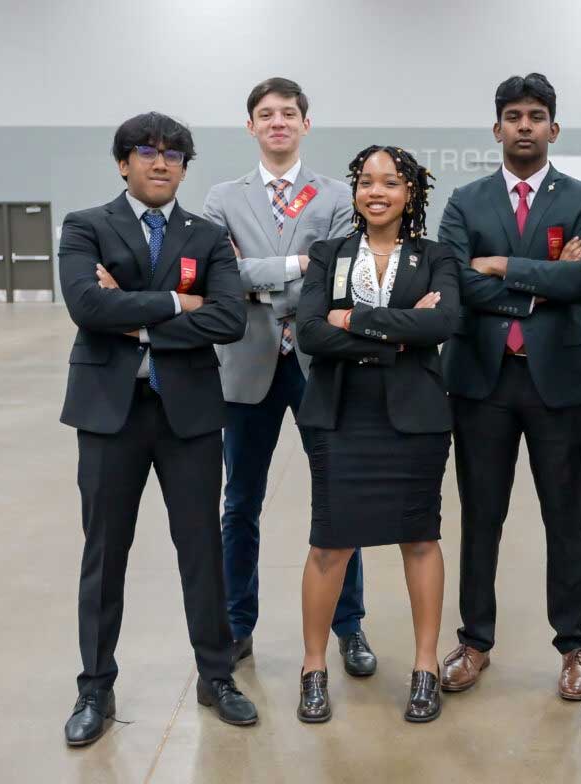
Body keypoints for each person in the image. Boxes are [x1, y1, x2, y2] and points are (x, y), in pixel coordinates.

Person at [57, 112, 256, 746]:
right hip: (110, 414)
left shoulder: (207, 235)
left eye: (174, 155)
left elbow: (228, 319)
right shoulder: (86, 226)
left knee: (202, 551)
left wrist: (133, 315)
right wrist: (176, 302)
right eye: (146, 152)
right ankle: (95, 686)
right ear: (123, 162)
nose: (161, 163)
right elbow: (86, 307)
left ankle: (216, 675)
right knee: (104, 553)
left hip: (189, 416)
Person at [437, 73, 581, 698]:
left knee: (566, 516)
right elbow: (456, 282)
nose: (526, 125)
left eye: (537, 115)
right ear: (498, 128)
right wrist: (542, 286)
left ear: (553, 128)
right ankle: (474, 639)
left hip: (558, 383)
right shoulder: (466, 201)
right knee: (481, 515)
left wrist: (506, 266)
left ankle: (575, 645)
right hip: (481, 381)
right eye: (514, 116)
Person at [202, 78, 376, 675]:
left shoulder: (334, 196)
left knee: (339, 498)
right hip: (246, 365)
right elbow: (220, 273)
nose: (278, 122)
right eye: (266, 114)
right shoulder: (222, 197)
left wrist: (263, 278)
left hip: (316, 362)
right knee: (240, 501)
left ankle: (349, 626)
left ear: (306, 123)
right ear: (250, 126)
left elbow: (338, 272)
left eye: (288, 113)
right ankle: (236, 625)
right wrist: (297, 266)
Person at [294, 146, 459, 723]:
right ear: (355, 192)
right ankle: (313, 668)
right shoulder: (328, 254)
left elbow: (442, 323)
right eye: (366, 181)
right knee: (330, 543)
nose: (377, 191)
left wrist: (355, 319)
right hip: (340, 417)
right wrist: (400, 330)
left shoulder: (435, 257)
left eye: (390, 181)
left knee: (419, 537)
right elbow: (311, 332)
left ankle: (424, 667)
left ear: (410, 192)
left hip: (414, 419)